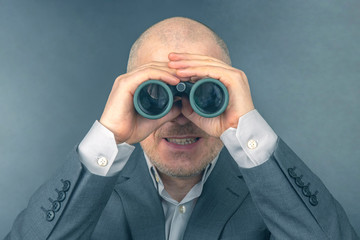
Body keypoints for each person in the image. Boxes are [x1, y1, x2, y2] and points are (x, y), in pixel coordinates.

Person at [5, 17, 358, 240]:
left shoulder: (269, 195)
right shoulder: (92, 196)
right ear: (127, 94)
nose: (180, 115)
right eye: (154, 93)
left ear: (229, 93)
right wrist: (109, 135)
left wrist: (245, 127)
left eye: (204, 92)